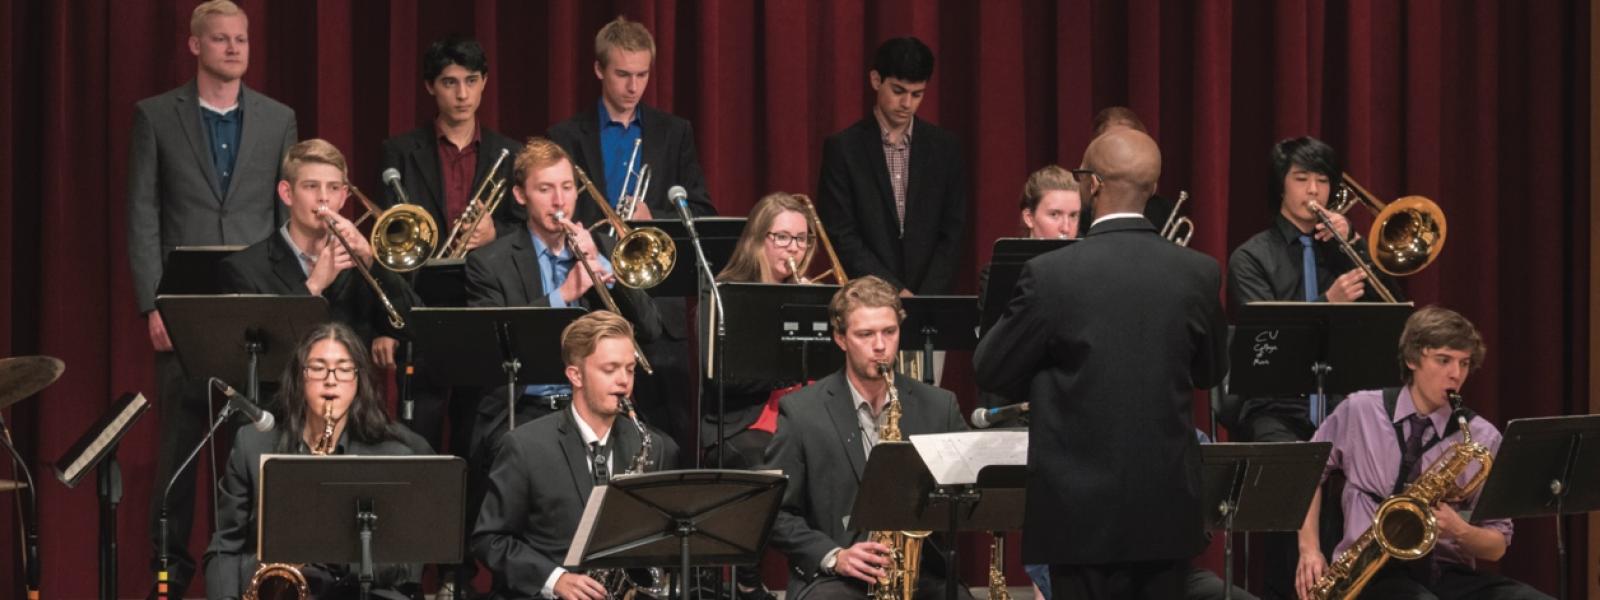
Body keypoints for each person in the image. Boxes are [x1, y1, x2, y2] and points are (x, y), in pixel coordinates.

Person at [973, 128, 1228, 600]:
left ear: (1091, 185)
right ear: (1152, 189)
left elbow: (991, 370)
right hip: (1165, 513)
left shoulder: (1051, 275)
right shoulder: (1199, 272)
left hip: (1079, 516)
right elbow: (1210, 372)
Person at [125, 2, 298, 593]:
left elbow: (285, 218)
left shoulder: (279, 119)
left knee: (250, 446)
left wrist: (283, 302)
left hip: (255, 306)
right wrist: (154, 304)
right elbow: (143, 214)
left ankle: (251, 574)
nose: (233, 49)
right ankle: (168, 574)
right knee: (178, 443)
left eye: (241, 39)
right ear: (195, 45)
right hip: (184, 310)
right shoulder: (155, 116)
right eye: (221, 39)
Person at [1294, 306, 1550, 600]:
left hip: (1446, 572)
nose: (1456, 375)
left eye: (1464, 363)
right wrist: (1309, 550)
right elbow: (1308, 473)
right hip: (1369, 574)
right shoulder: (1360, 410)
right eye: (1444, 360)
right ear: (1413, 358)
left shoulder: (1482, 436)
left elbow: (1497, 545)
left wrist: (1459, 530)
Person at [1226, 136, 1388, 599]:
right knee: (1294, 468)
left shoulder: (1342, 248)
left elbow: (1391, 309)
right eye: (1302, 179)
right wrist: (1325, 303)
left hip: (1344, 404)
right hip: (1278, 407)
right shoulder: (1251, 256)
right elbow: (1267, 338)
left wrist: (1355, 243)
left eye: (1322, 180)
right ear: (1282, 186)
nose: (1313, 191)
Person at [548, 15, 716, 453]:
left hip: (659, 305)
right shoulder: (565, 136)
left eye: (642, 75)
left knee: (669, 436)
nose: (633, 86)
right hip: (595, 294)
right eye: (623, 74)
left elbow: (700, 209)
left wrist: (652, 215)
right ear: (600, 70)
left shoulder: (674, 131)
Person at [766, 276, 970, 599]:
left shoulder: (939, 405)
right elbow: (775, 512)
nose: (880, 346)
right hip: (834, 578)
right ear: (840, 338)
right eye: (865, 334)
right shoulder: (802, 412)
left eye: (889, 332)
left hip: (919, 576)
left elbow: (970, 493)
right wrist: (835, 556)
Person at [203, 321, 432, 600]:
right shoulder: (252, 444)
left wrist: (336, 555)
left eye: (345, 369)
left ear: (359, 380)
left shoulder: (392, 455)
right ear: (299, 378)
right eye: (318, 367)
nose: (331, 379)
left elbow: (405, 565)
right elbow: (224, 547)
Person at [471, 311, 680, 600]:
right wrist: (555, 580)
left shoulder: (653, 446)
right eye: (610, 369)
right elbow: (489, 540)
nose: (624, 382)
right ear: (575, 375)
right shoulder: (525, 446)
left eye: (630, 369)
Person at [220, 138, 411, 349]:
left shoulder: (359, 262)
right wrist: (313, 287)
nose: (323, 198)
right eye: (311, 186)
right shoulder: (245, 269)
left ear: (344, 196)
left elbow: (411, 328)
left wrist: (371, 261)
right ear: (287, 193)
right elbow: (256, 349)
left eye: (334, 188)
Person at [815, 37, 967, 298]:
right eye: (898, 91)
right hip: (867, 296)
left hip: (930, 298)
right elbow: (841, 232)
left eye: (917, 94)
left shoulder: (946, 148)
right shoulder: (843, 148)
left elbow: (953, 233)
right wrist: (893, 290)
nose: (907, 103)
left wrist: (925, 297)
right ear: (876, 80)